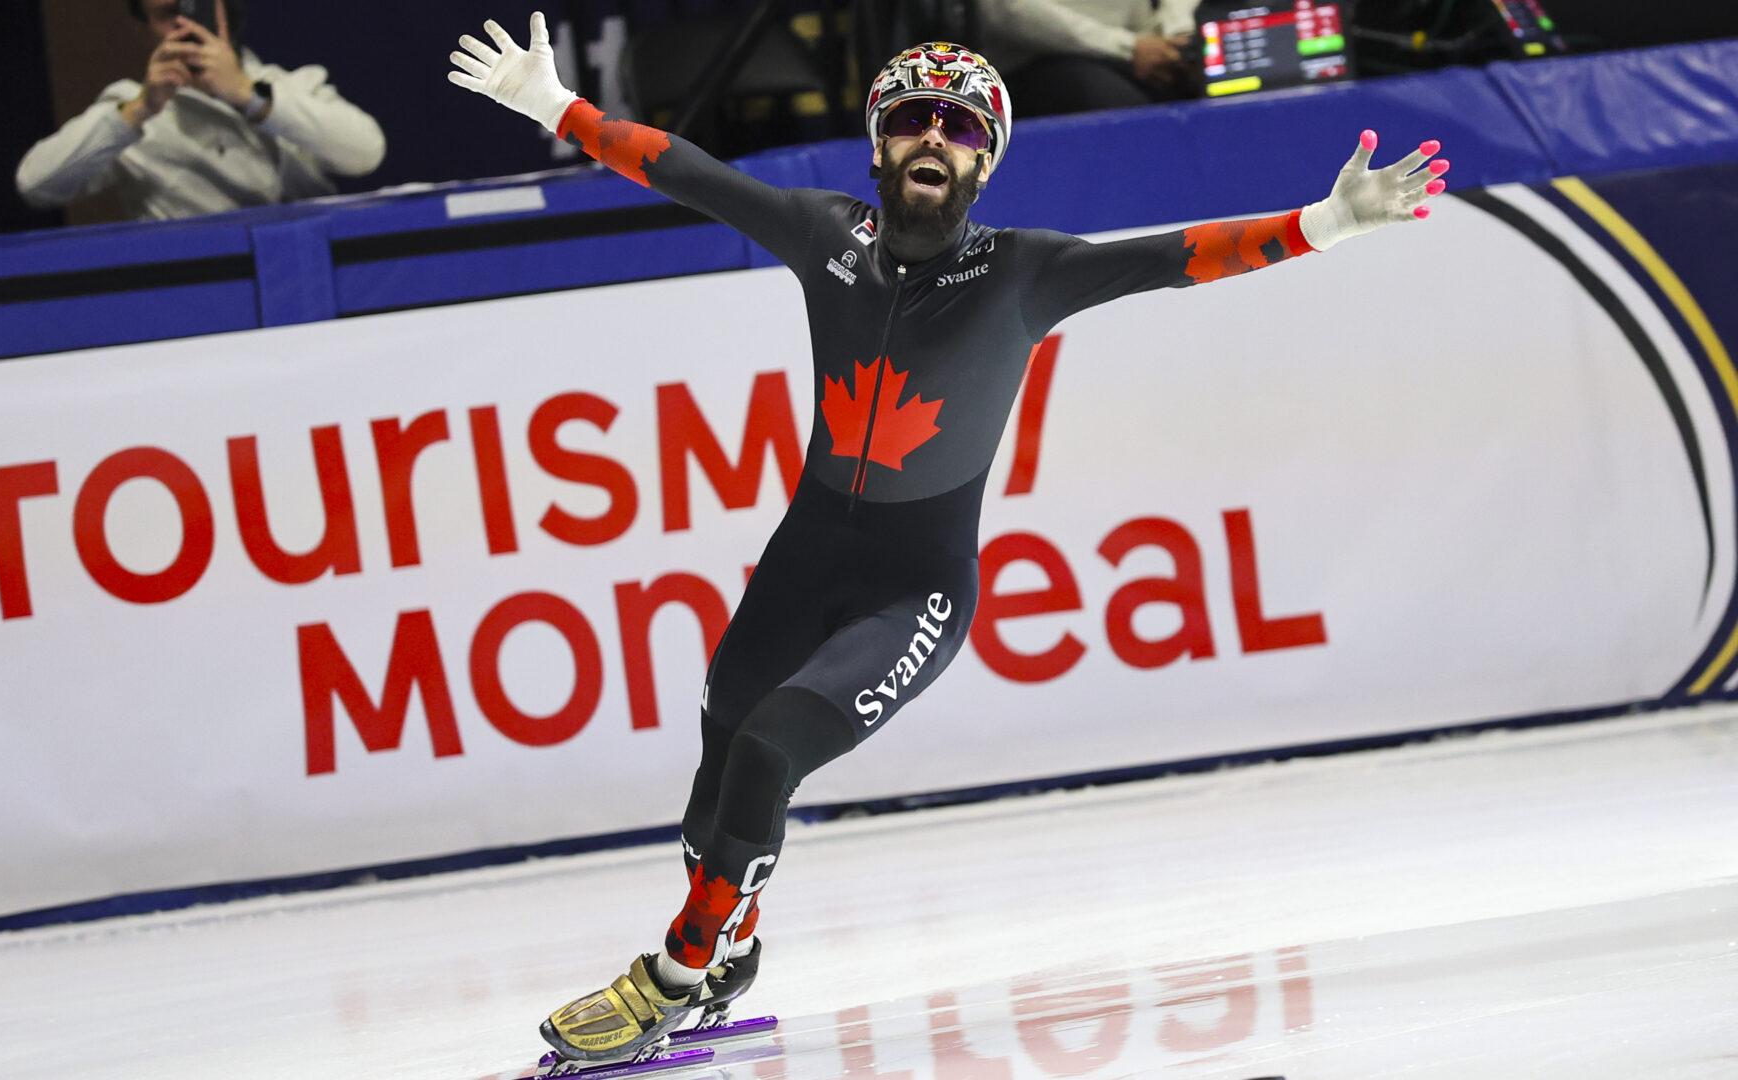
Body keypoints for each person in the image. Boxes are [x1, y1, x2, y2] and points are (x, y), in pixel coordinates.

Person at [448, 18, 1449, 1065]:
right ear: (878, 146)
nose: (936, 139)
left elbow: (1177, 258)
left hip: (913, 591)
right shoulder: (820, 232)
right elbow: (686, 170)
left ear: (988, 158)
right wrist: (558, 110)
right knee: (714, 798)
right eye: (913, 120)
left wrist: (1321, 225)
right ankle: (730, 936)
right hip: (804, 559)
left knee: (768, 753)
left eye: (962, 127)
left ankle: (677, 973)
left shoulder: (1026, 272)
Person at [17, 0, 385, 220]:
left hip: (303, 269)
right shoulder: (128, 105)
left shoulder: (290, 86)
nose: (187, 25)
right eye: (168, 14)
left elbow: (366, 153)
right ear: (144, 30)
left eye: (199, 7)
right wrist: (142, 109)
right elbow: (35, 184)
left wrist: (247, 95)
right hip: (197, 292)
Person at [975, 0, 1203, 115]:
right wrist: (1128, 47)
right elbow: (1007, 9)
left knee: (1217, 84)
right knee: (1124, 109)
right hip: (1039, 58)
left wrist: (1176, 32)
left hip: (1151, 42)